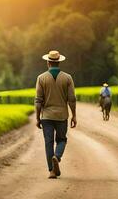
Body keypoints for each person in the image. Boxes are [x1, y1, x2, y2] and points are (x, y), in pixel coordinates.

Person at [35, 50, 77, 179]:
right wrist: (74, 115)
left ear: (48, 62)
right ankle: (57, 157)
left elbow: (38, 100)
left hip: (46, 116)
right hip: (61, 116)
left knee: (49, 142)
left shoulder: (41, 78)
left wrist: (37, 118)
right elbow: (72, 99)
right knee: (62, 140)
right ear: (59, 62)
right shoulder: (67, 78)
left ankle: (52, 171)